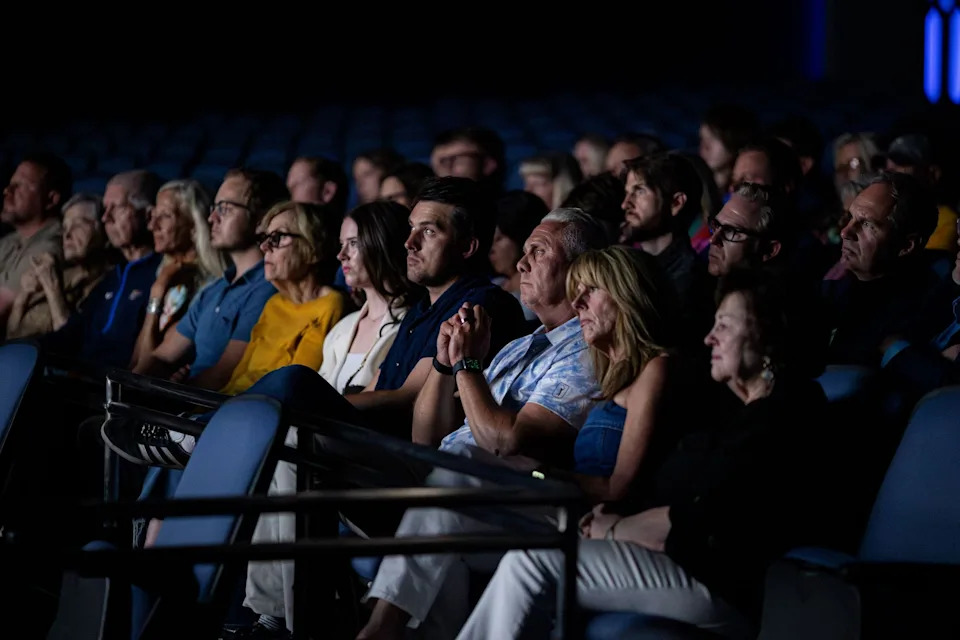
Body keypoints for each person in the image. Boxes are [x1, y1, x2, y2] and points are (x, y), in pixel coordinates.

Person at [458, 269, 830, 640]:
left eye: (726, 326)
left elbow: (707, 516)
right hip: (667, 554)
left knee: (532, 563)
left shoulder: (788, 412)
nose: (709, 337)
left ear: (765, 336)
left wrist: (616, 530)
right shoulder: (730, 412)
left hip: (717, 580)